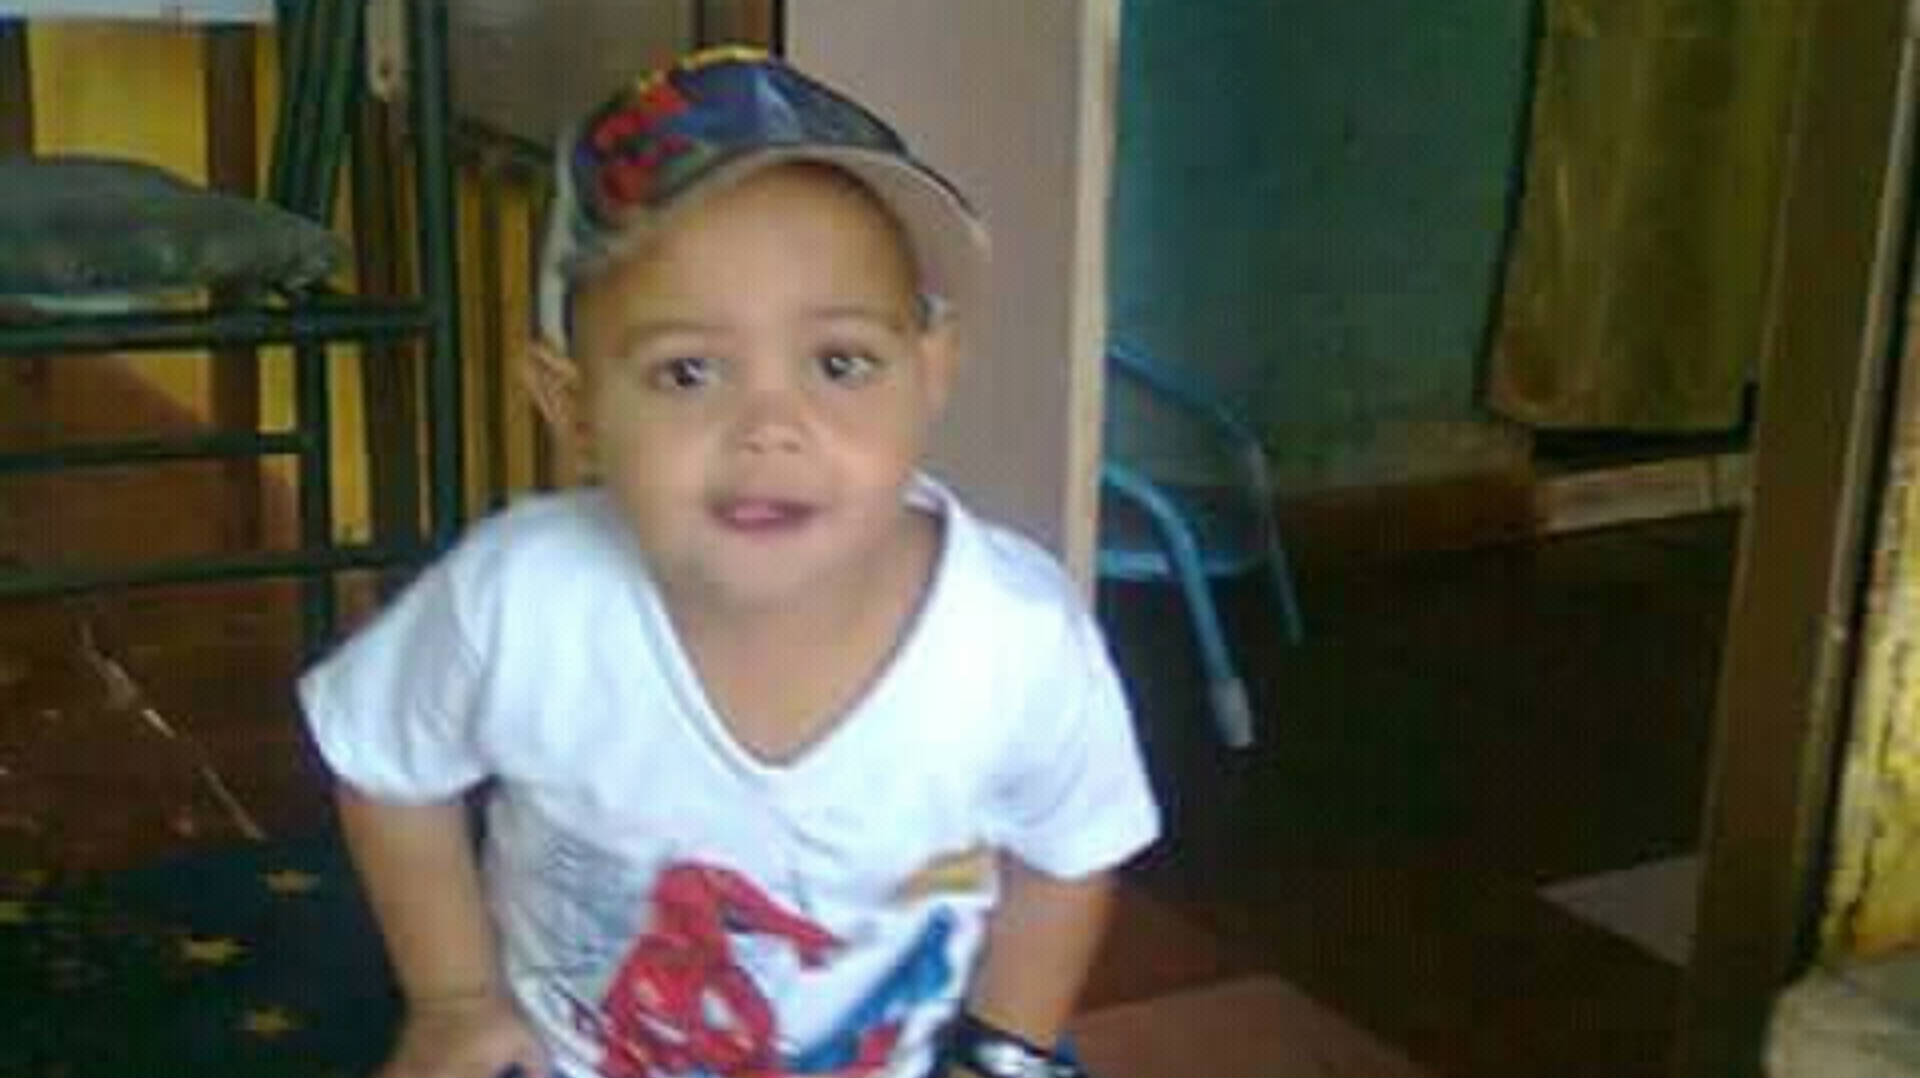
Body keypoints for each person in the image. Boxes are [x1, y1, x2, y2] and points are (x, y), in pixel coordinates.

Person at [299, 47, 1160, 1078]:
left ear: (931, 372)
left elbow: (1072, 852)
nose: (770, 425)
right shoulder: (519, 600)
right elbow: (383, 763)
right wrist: (453, 999)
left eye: (840, 362)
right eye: (688, 372)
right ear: (574, 408)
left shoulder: (1015, 641)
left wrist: (1006, 1049)